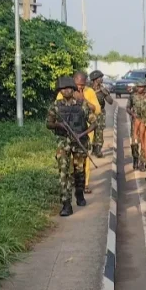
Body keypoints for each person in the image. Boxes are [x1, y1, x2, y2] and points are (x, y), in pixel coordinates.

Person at [46, 77, 93, 217]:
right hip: (63, 142)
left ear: (73, 90)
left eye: (69, 88)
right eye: (63, 89)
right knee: (63, 172)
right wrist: (57, 125)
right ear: (60, 91)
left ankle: (79, 193)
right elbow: (48, 123)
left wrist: (82, 134)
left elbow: (95, 123)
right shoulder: (56, 106)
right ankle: (66, 204)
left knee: (79, 171)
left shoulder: (82, 104)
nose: (66, 91)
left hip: (79, 142)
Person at [89, 70, 113, 158]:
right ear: (95, 79)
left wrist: (105, 93)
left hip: (100, 112)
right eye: (100, 78)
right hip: (89, 112)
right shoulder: (88, 89)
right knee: (90, 130)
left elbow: (110, 101)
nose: (101, 79)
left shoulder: (103, 89)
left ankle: (98, 149)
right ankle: (92, 148)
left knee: (99, 130)